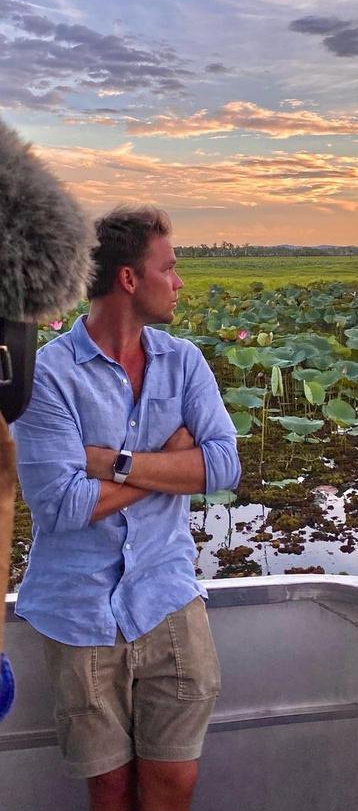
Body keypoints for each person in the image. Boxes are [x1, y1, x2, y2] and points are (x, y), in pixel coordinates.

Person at [12, 206, 240, 811]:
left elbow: (223, 467)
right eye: (169, 267)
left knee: (174, 783)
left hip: (167, 595)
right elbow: (61, 506)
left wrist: (112, 463)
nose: (180, 281)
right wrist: (168, 465)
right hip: (79, 611)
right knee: (109, 789)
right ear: (129, 280)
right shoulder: (49, 376)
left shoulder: (184, 360)